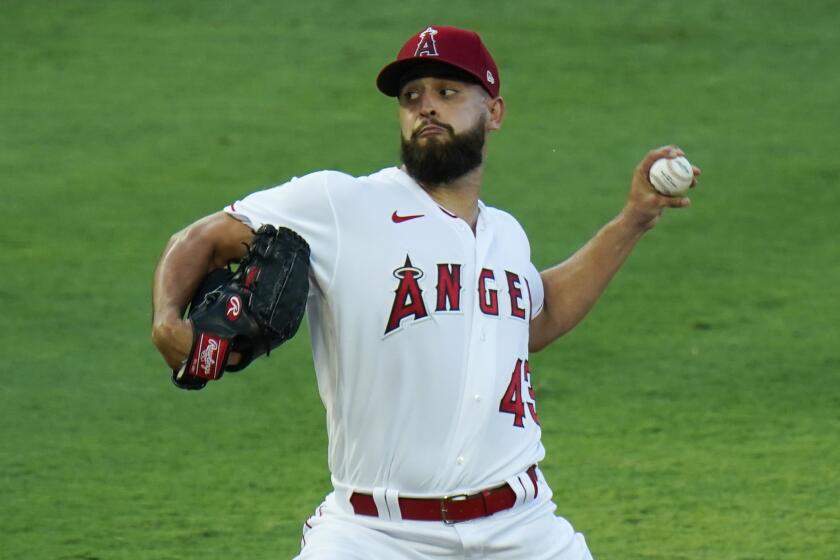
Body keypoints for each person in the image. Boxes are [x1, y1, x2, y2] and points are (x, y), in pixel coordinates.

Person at [151, 25, 699, 559]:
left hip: (521, 527)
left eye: (448, 92)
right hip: (374, 533)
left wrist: (633, 220)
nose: (426, 106)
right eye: (411, 96)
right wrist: (168, 322)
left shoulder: (506, 234)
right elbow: (202, 237)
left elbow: (541, 314)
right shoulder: (341, 205)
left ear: (495, 112)